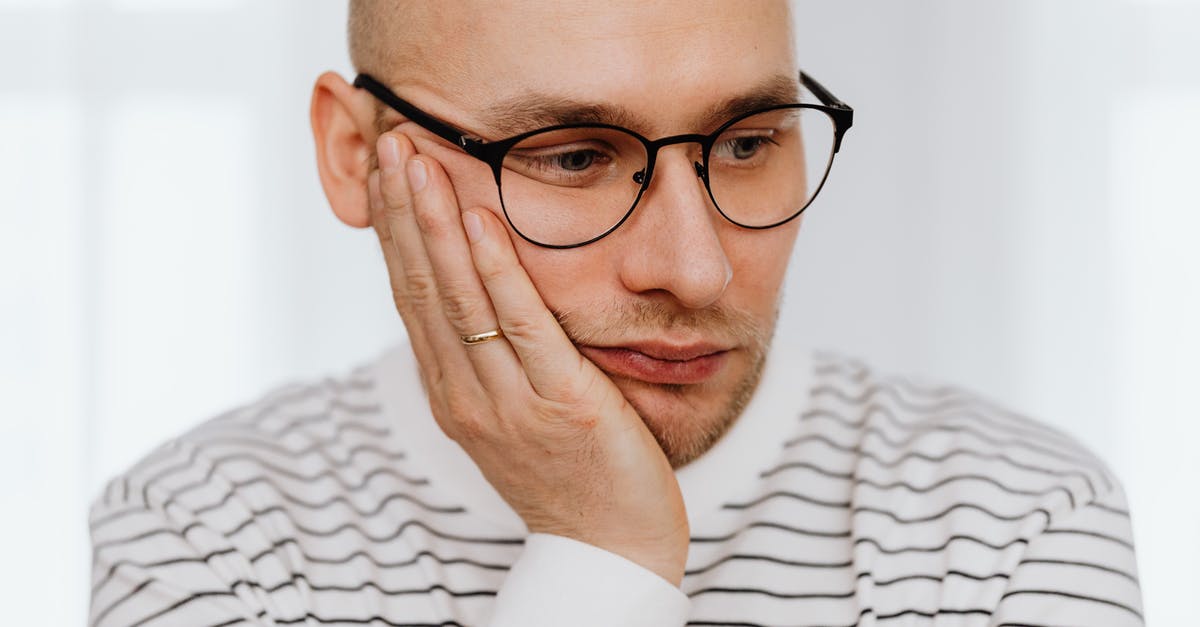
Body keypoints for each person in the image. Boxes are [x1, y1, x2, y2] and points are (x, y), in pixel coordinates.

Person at [87, 1, 1144, 626]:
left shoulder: (1011, 522)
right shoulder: (205, 532)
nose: (695, 270)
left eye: (746, 142)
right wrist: (602, 555)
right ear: (357, 159)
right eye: (576, 158)